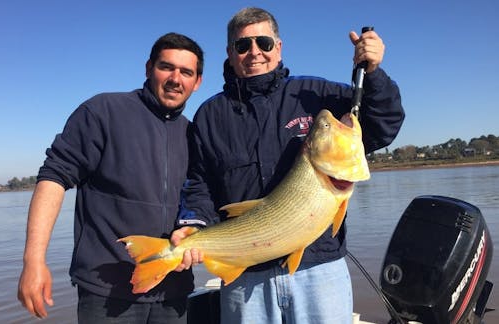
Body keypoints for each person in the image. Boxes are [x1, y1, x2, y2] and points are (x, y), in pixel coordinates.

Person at [171, 7, 404, 324]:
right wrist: (193, 226)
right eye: (243, 45)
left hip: (319, 270)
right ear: (229, 53)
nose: (254, 52)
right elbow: (199, 185)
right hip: (244, 275)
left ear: (278, 48)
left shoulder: (316, 94)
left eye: (264, 43)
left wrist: (374, 73)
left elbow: (383, 124)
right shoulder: (210, 115)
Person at [17, 32, 204, 323]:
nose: (175, 79)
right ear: (148, 68)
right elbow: (54, 177)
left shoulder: (193, 134)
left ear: (197, 82)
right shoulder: (103, 112)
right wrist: (33, 260)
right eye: (166, 67)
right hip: (107, 292)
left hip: (173, 291)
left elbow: (198, 199)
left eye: (186, 72)